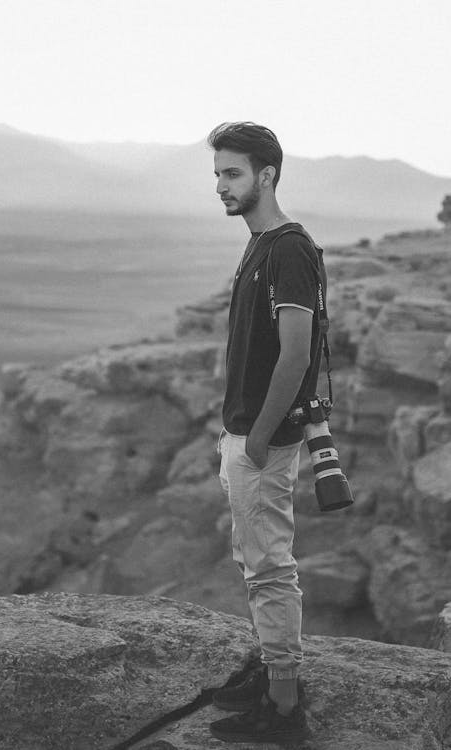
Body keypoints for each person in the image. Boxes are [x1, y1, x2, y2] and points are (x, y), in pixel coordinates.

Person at [208, 122, 324, 744]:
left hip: (262, 440)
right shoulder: (259, 246)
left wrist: (257, 439)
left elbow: (296, 355)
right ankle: (272, 673)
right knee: (255, 561)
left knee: (270, 567)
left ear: (267, 175)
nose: (221, 186)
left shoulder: (287, 249)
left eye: (232, 173)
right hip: (245, 433)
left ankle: (283, 709)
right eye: (219, 175)